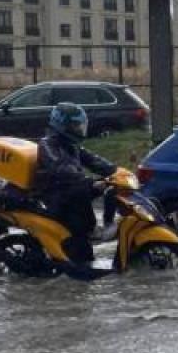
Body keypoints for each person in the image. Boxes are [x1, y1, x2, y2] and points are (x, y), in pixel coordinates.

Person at [33, 102, 117, 264]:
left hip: (71, 191)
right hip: (56, 196)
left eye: (81, 126)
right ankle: (90, 229)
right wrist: (91, 183)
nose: (80, 130)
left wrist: (116, 171)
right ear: (62, 125)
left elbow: (94, 160)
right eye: (76, 126)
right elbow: (61, 168)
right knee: (84, 189)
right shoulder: (47, 144)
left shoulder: (72, 145)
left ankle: (108, 224)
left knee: (112, 188)